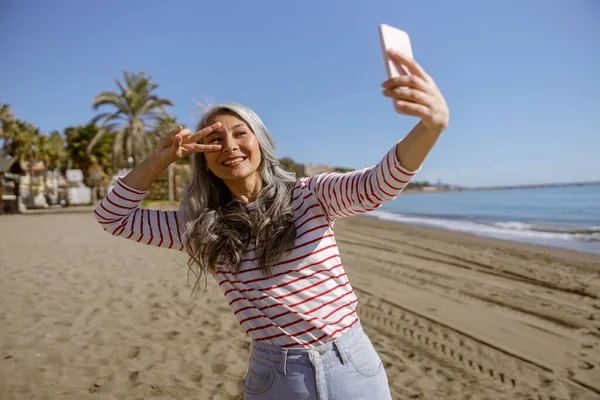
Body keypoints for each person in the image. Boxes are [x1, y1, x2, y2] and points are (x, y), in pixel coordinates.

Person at [94, 49, 449, 399]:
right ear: (202, 159)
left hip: (350, 363)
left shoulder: (310, 195)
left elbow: (376, 185)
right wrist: (159, 161)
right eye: (215, 139)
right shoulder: (198, 228)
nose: (229, 146)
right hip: (275, 376)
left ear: (261, 142)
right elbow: (112, 218)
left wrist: (431, 127)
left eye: (240, 133)